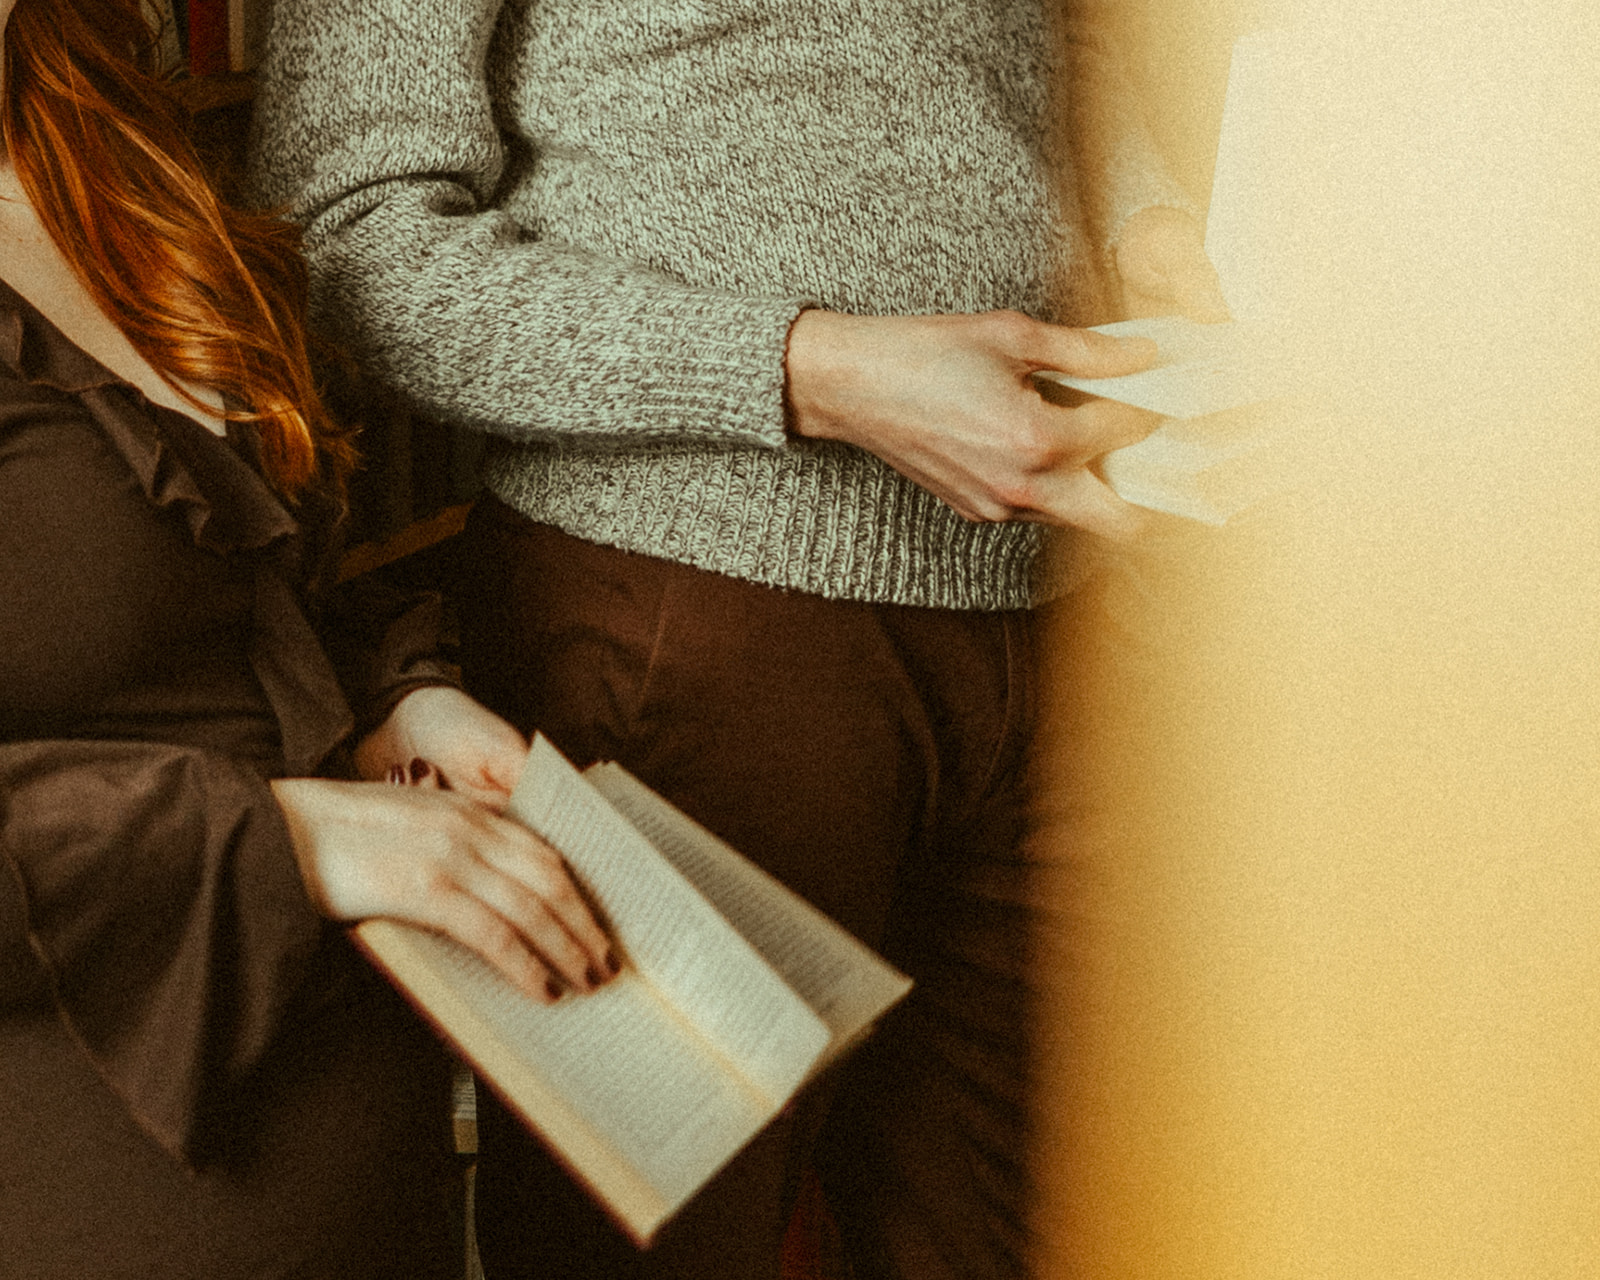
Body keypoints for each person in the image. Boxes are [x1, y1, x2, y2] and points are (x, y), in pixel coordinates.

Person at [250, 3, 1227, 1278]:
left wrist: (1140, 226)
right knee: (668, 1246)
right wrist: (807, 371)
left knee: (1063, 1231)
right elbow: (346, 242)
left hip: (1078, 610)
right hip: (687, 619)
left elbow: (1046, 43)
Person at [0, 3, 617, 1276]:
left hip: (361, 1186)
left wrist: (396, 700)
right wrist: (286, 834)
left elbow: (204, 594)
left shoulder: (92, 134)